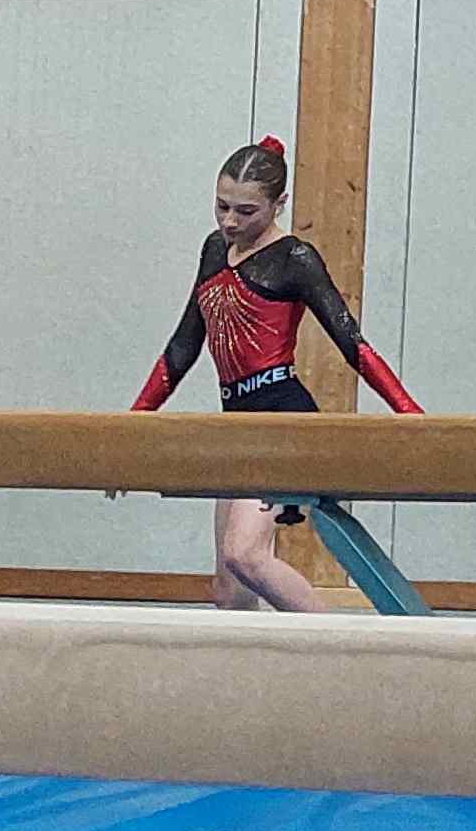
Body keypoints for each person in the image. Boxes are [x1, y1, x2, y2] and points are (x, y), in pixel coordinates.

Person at [125, 138, 422, 613]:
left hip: (282, 419)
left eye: (246, 211)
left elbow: (353, 344)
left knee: (245, 555)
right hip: (236, 424)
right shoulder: (215, 250)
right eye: (222, 206)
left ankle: (342, 644)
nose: (229, 221)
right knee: (229, 592)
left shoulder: (294, 259)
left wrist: (411, 414)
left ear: (278, 203)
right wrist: (130, 425)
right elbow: (183, 346)